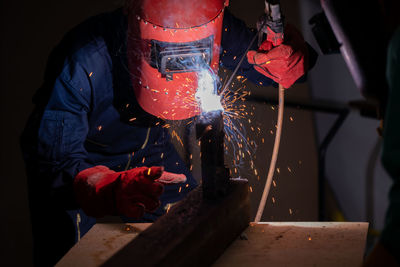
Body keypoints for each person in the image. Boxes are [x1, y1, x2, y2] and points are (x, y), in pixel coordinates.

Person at [20, 0, 316, 265]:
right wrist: (106, 187)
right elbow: (55, 163)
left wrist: (290, 60)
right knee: (70, 256)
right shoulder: (84, 59)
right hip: (78, 163)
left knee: (190, 227)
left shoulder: (207, 23)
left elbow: (263, 62)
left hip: (148, 148)